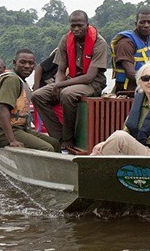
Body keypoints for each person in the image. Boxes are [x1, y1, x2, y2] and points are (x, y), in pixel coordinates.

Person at [31, 10, 108, 150]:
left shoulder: (99, 43)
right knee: (37, 96)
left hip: (93, 82)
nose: (76, 29)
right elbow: (61, 70)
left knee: (67, 94)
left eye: (80, 25)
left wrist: (60, 85)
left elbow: (90, 76)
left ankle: (68, 138)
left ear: (87, 25)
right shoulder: (66, 40)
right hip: (71, 80)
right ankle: (59, 136)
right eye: (73, 26)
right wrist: (58, 84)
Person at [91, 62, 150, 156]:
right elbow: (127, 130)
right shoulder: (140, 99)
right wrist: (104, 144)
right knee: (101, 147)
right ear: (140, 82)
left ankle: (89, 167)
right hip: (139, 149)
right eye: (145, 78)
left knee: (119, 136)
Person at [0, 49, 60, 152]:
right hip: (2, 133)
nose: (27, 66)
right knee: (47, 148)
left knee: (55, 143)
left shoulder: (20, 80)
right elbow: (3, 109)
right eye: (23, 62)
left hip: (18, 128)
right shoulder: (11, 80)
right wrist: (12, 141)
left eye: (31, 63)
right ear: (15, 63)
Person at [111, 8, 150, 94]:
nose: (146, 25)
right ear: (136, 24)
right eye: (142, 22)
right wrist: (149, 83)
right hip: (128, 89)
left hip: (149, 86)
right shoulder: (125, 43)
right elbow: (130, 73)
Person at [31, 48, 64, 133]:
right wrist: (36, 89)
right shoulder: (61, 53)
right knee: (43, 126)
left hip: (58, 93)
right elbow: (40, 67)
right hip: (44, 89)